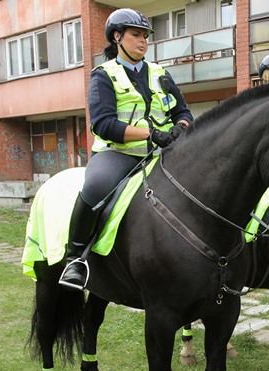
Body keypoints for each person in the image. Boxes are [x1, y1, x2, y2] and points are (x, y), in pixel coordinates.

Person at [59, 8, 193, 290]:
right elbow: (103, 124)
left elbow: (183, 111)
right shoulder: (103, 75)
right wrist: (152, 133)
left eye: (145, 35)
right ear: (117, 37)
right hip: (117, 155)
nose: (143, 41)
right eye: (136, 35)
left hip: (160, 153)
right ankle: (76, 259)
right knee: (95, 187)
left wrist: (180, 127)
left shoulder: (160, 73)